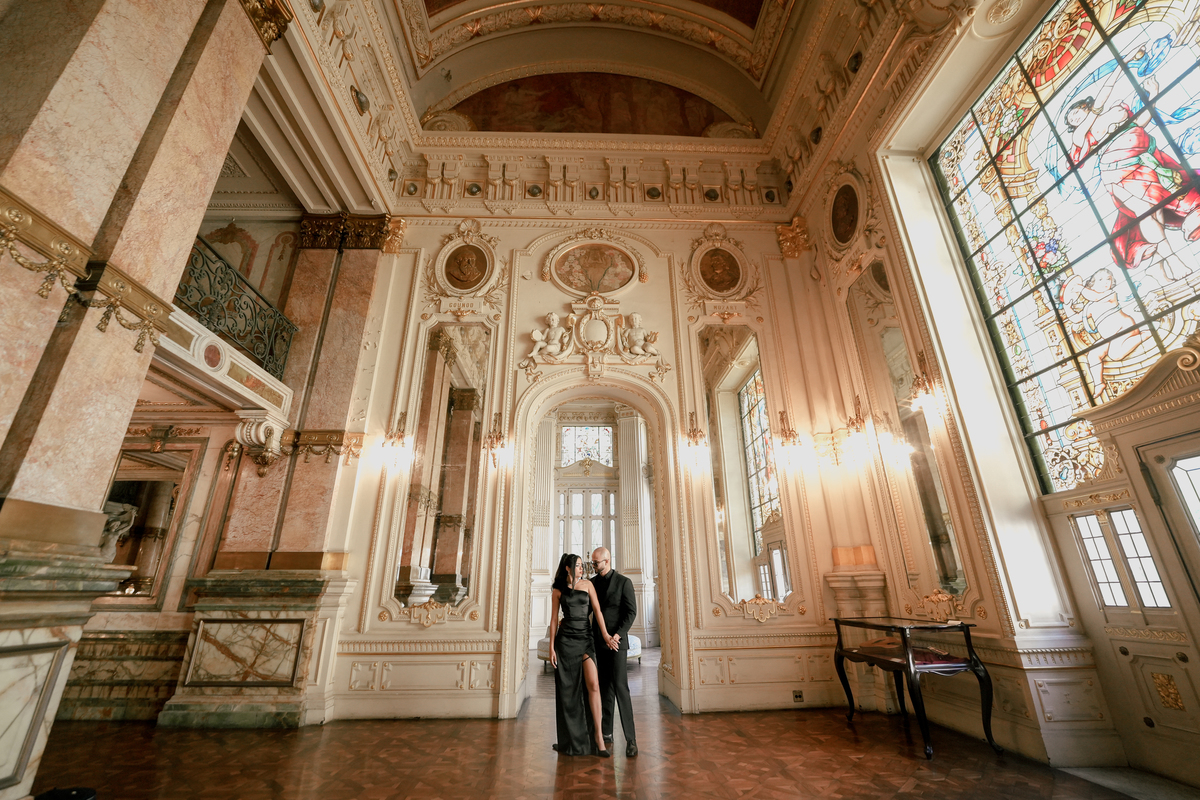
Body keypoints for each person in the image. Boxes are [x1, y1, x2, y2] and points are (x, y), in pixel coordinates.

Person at [549, 553, 615, 757]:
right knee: (568, 692)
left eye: (581, 565)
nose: (581, 568)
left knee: (593, 685)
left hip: (586, 639)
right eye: (577, 565)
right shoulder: (558, 590)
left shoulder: (588, 585)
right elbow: (554, 620)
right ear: (567, 568)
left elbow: (597, 611)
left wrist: (605, 635)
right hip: (565, 642)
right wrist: (551, 648)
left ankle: (598, 738)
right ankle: (571, 738)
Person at [589, 547, 639, 757]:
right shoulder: (592, 583)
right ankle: (606, 732)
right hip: (599, 642)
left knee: (620, 687)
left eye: (596, 563)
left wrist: (617, 636)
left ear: (607, 561)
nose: (593, 566)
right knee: (604, 687)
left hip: (617, 643)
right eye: (592, 562)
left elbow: (631, 612)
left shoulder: (624, 582)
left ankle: (631, 740)